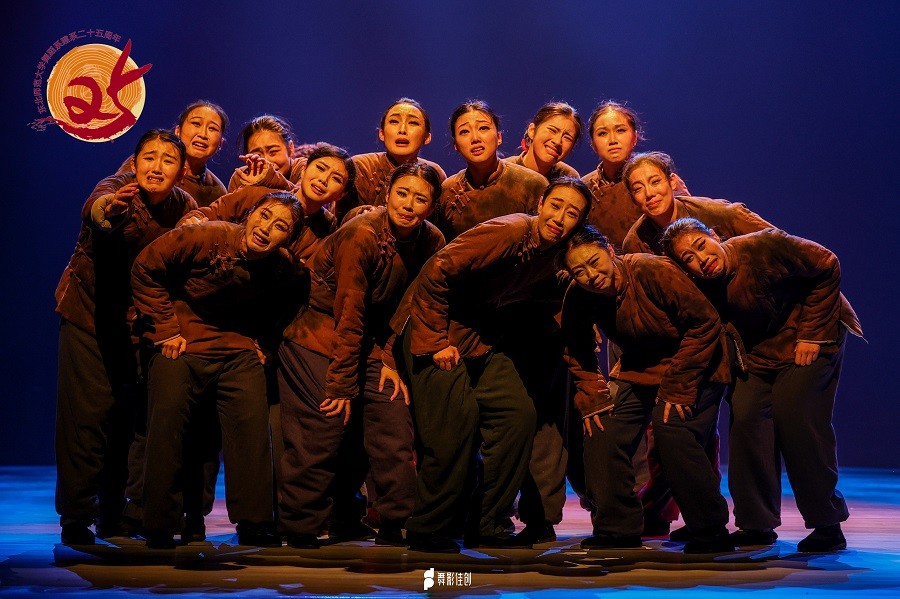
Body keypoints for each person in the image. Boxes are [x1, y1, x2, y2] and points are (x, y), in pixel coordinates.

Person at [398, 178, 589, 553]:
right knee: (455, 425)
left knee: (517, 415)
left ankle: (486, 522)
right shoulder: (510, 231)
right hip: (435, 330)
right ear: (541, 204)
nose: (560, 217)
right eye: (556, 206)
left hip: (480, 339)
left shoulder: (555, 254)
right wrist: (436, 341)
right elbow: (437, 270)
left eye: (572, 213)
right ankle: (427, 527)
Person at [661, 219, 863, 552]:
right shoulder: (702, 285)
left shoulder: (763, 246)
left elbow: (826, 263)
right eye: (689, 259)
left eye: (700, 245)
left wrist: (812, 333)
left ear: (714, 236)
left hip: (809, 337)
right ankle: (757, 524)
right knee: (746, 418)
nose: (702, 259)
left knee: (795, 416)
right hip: (758, 355)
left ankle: (827, 524)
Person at [278, 163, 445, 549]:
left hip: (370, 340)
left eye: (420, 199)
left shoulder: (431, 240)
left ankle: (396, 519)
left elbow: (414, 305)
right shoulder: (361, 234)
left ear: (432, 206)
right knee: (326, 425)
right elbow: (348, 310)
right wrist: (341, 383)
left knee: (392, 417)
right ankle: (301, 524)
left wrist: (389, 358)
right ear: (387, 193)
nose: (408, 205)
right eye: (402, 193)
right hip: (317, 333)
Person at [132, 192, 305, 549]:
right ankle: (160, 521)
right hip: (182, 338)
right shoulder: (207, 235)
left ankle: (254, 521)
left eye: (280, 226)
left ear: (287, 239)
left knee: (251, 423)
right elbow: (145, 267)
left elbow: (292, 298)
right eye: (264, 216)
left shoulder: (282, 267)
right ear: (250, 214)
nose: (266, 228)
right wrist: (165, 329)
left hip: (235, 346)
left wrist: (265, 341)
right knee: (167, 420)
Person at [54, 129, 197, 545]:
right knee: (86, 419)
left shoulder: (183, 205)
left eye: (168, 160)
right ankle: (76, 517)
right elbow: (97, 208)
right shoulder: (117, 189)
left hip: (139, 327)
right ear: (134, 163)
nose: (157, 167)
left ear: (181, 171)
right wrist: (108, 210)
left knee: (127, 422)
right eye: (149, 157)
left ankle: (113, 513)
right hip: (90, 317)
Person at [561, 226, 734, 553]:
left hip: (696, 364)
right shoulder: (579, 294)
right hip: (639, 368)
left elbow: (704, 323)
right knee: (601, 428)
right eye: (579, 272)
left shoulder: (650, 270)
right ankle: (617, 529)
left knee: (672, 428)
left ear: (609, 251)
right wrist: (592, 395)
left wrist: (677, 386)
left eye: (594, 263)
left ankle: (710, 529)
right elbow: (576, 347)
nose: (591, 276)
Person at [183, 143, 356, 264]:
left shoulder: (327, 232)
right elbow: (203, 214)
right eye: (320, 168)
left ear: (341, 194)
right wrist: (192, 222)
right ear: (304, 170)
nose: (323, 180)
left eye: (336, 178)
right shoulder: (258, 194)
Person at [430, 100, 548, 242]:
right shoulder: (448, 190)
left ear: (499, 137)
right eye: (464, 132)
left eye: (483, 128)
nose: (475, 138)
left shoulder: (532, 184)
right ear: (456, 145)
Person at [581, 101, 688, 249]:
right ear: (593, 143)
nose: (612, 140)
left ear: (635, 137)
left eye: (620, 130)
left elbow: (689, 223)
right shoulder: (584, 188)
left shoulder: (659, 178)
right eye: (602, 133)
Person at [622, 152, 773, 255]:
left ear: (672, 182)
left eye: (655, 182)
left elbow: (776, 240)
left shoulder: (716, 212)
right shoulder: (636, 242)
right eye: (638, 189)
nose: (649, 193)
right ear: (632, 198)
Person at [339, 98, 446, 222]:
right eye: (394, 121)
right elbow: (341, 218)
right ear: (382, 134)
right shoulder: (361, 166)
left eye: (413, 123)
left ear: (427, 137)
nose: (402, 130)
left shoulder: (435, 173)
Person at [503, 101, 581, 179]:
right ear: (532, 131)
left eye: (567, 138)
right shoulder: (503, 172)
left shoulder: (568, 177)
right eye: (552, 130)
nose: (557, 141)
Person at [227, 115, 304, 192]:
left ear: (290, 148)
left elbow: (300, 197)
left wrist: (272, 179)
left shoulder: (304, 169)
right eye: (257, 155)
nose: (267, 162)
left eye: (273, 152)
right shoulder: (241, 177)